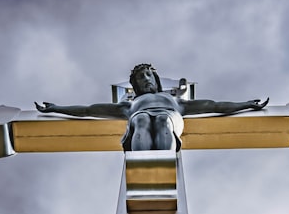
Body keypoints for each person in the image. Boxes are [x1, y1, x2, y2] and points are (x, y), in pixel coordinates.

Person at [35, 64, 268, 151]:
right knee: (141, 120)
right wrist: (56, 108)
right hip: (139, 120)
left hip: (170, 117)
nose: (145, 79)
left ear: (156, 79)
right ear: (135, 86)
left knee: (163, 121)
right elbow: (88, 110)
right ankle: (140, 158)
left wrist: (245, 104)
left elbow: (215, 106)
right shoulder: (130, 105)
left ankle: (164, 156)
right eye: (140, 78)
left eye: (148, 75)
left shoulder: (177, 101)